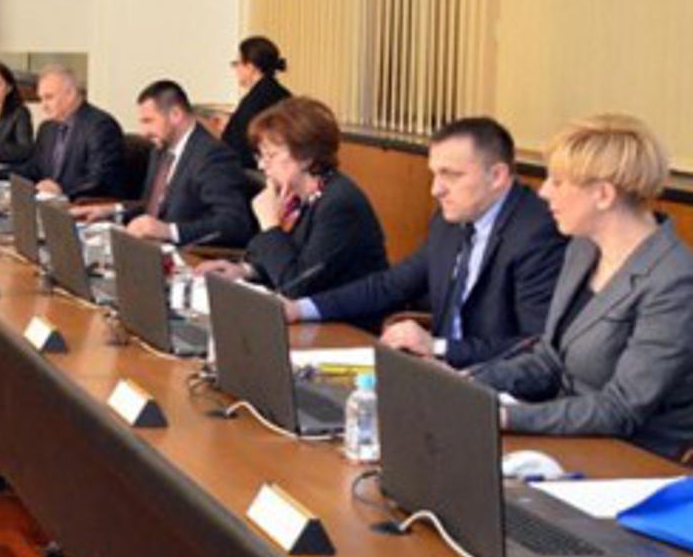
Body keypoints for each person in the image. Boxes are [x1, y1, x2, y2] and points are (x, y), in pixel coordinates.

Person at [470, 115, 693, 457]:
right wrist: (471, 383)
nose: (543, 192)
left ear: (603, 195)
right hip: (569, 435)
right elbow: (550, 359)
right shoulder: (583, 248)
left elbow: (622, 408)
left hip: (633, 456)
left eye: (558, 182)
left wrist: (506, 417)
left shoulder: (675, 280)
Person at [283, 118, 564, 368]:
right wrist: (299, 309)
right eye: (434, 174)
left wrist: (438, 347)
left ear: (497, 176)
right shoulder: (449, 220)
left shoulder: (536, 233)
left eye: (450, 175)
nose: (436, 190)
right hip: (440, 375)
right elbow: (389, 285)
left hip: (498, 388)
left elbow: (536, 347)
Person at [196, 97, 386, 298]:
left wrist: (270, 224)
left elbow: (297, 284)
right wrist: (244, 270)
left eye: (271, 155)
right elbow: (276, 260)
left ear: (306, 156)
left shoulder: (339, 204)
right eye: (260, 156)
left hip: (348, 315)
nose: (261, 165)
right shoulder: (295, 197)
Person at [76, 80, 253, 248]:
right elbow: (155, 207)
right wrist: (113, 211)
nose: (143, 132)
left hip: (189, 256)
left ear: (176, 115)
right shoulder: (160, 150)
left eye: (149, 121)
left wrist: (170, 231)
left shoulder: (212, 156)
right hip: (147, 250)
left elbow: (233, 223)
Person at [0, 65, 125, 200]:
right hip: (49, 204)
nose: (43, 106)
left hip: (84, 205)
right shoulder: (47, 128)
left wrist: (61, 189)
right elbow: (35, 169)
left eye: (49, 97)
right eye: (41, 99)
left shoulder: (100, 126)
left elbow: (100, 180)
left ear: (70, 94)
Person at [219, 36, 290, 170]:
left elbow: (241, 147)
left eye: (237, 63)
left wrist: (229, 129)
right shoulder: (283, 94)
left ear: (250, 67)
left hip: (252, 174)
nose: (236, 69)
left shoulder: (254, 101)